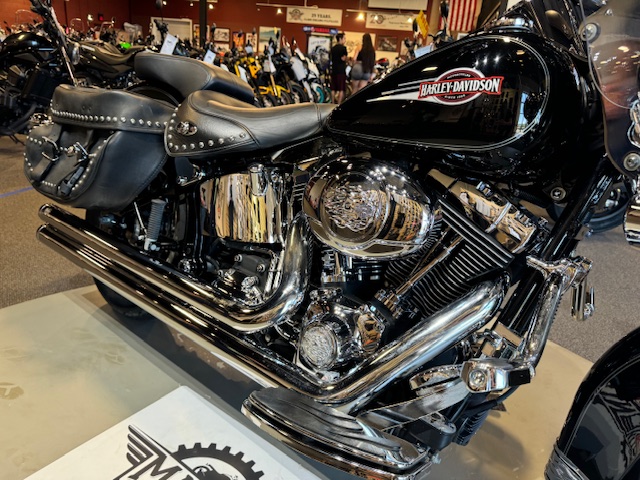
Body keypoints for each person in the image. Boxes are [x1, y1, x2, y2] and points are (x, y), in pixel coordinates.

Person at [330, 33, 348, 104]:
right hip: (341, 70)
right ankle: (338, 104)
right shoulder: (343, 48)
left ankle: (332, 102)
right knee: (341, 89)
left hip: (334, 69)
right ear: (340, 39)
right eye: (344, 38)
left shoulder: (333, 48)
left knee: (333, 88)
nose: (345, 40)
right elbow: (343, 58)